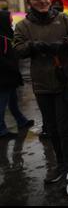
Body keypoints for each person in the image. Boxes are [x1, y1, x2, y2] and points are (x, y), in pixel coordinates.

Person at [14, 0, 68, 183]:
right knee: (51, 128)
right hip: (42, 84)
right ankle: (60, 164)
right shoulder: (23, 26)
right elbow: (18, 49)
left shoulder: (64, 19)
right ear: (30, 2)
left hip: (64, 82)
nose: (43, 1)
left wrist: (64, 43)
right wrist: (33, 46)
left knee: (65, 128)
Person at [0, 8, 34, 138]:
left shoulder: (6, 34)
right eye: (9, 18)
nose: (12, 20)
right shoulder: (1, 38)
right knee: (2, 103)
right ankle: (2, 130)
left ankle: (21, 121)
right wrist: (12, 66)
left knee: (13, 101)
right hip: (4, 77)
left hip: (10, 76)